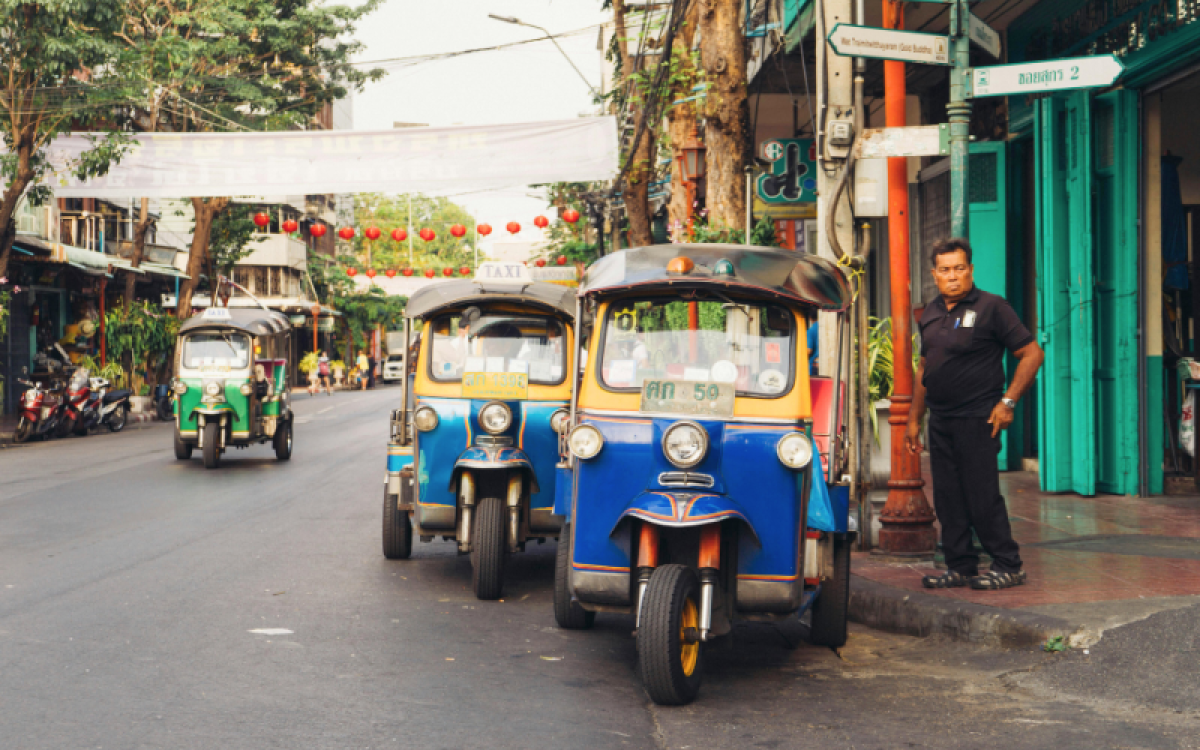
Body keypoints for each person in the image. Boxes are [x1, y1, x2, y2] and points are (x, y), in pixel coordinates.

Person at [905, 237, 1044, 591]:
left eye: (960, 268)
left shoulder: (992, 307)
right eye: (946, 270)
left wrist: (1008, 402)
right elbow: (924, 368)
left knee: (981, 495)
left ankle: (1008, 564)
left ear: (971, 270)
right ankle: (960, 566)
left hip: (980, 417)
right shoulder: (932, 313)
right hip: (942, 419)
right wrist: (913, 419)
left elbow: (1032, 354)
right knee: (948, 497)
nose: (953, 276)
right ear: (934, 274)